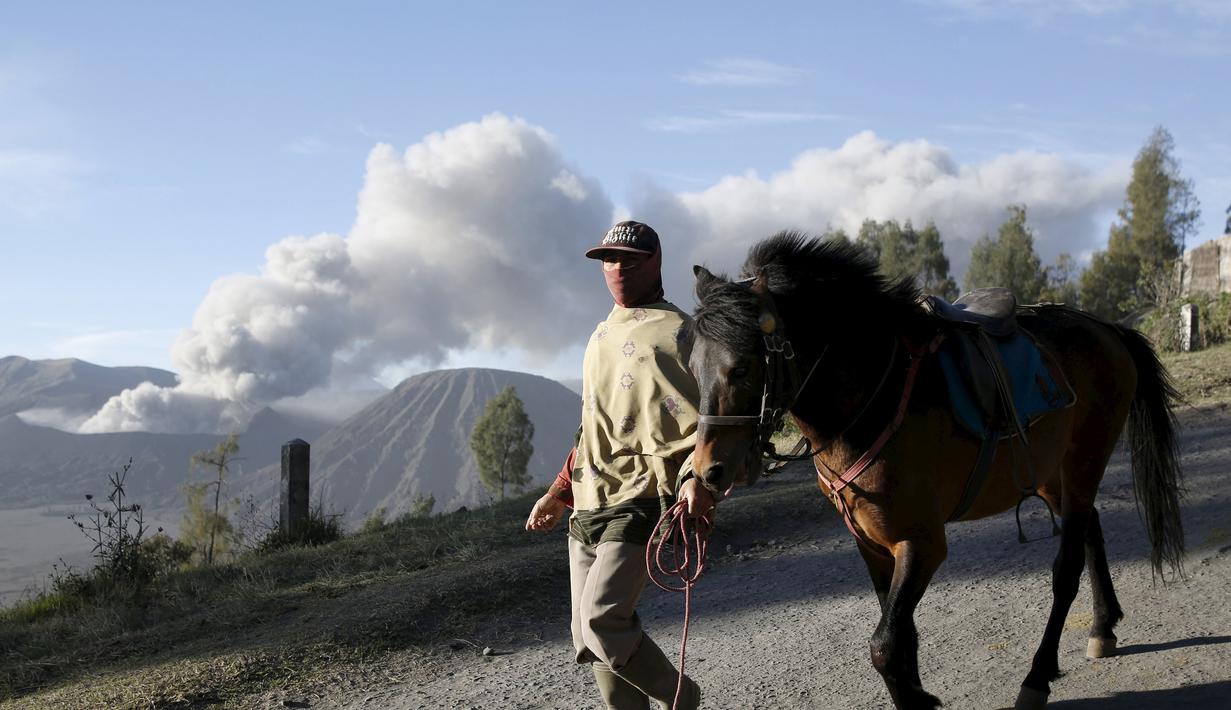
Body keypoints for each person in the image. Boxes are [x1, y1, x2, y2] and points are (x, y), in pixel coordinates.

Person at [525, 220, 715, 710]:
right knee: (588, 639)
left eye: (629, 259)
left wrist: (698, 479)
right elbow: (593, 425)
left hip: (648, 494)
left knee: (603, 619)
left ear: (654, 261)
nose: (617, 268)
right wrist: (557, 491)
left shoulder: (684, 334)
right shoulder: (601, 334)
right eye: (609, 260)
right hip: (589, 497)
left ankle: (683, 699)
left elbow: (711, 420)